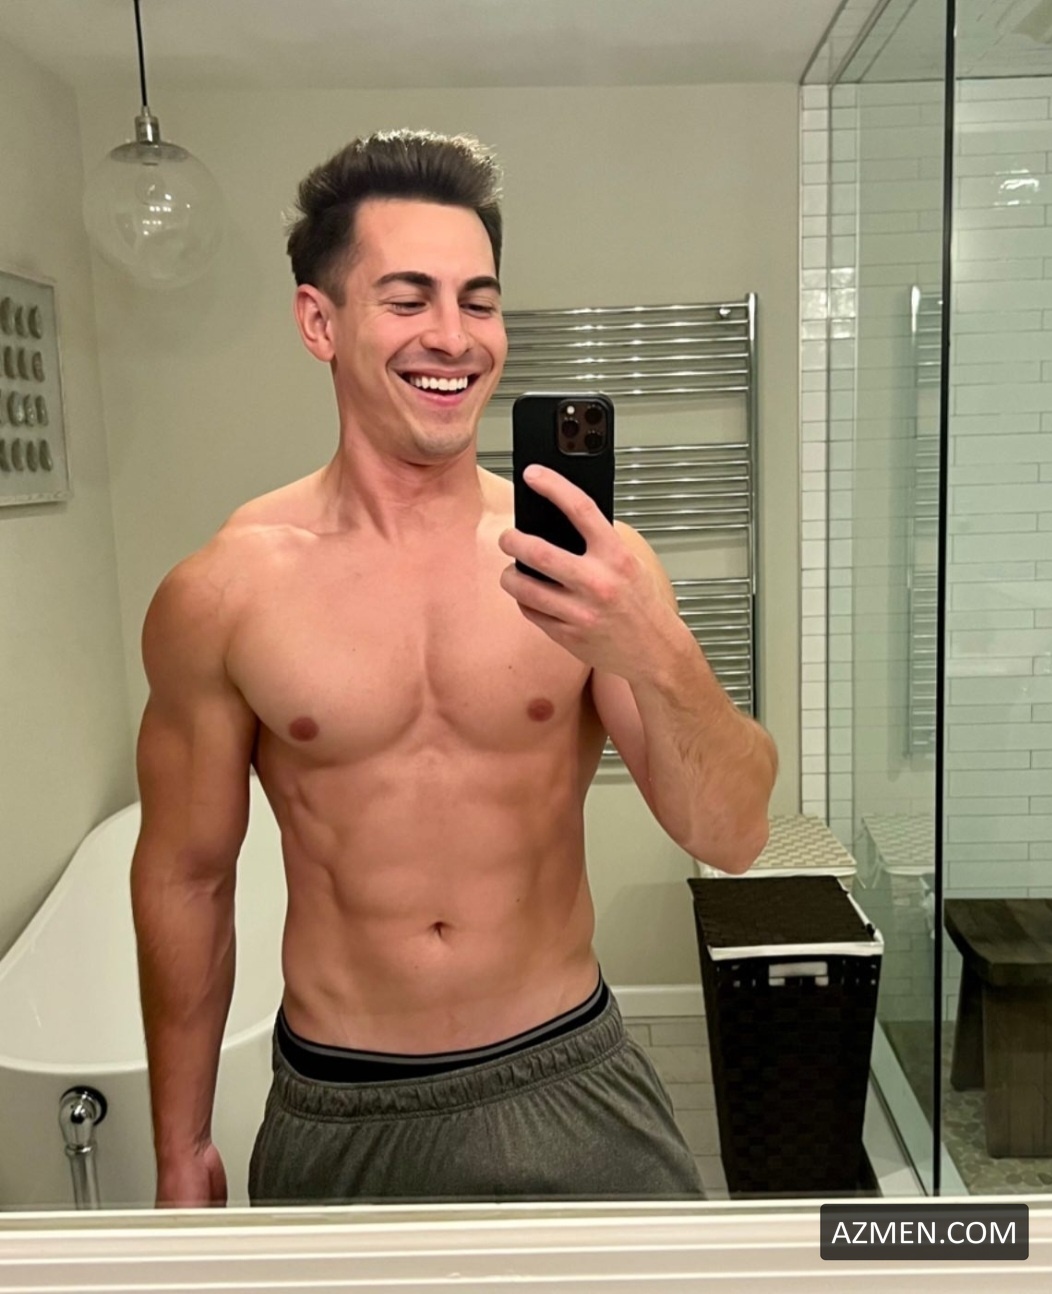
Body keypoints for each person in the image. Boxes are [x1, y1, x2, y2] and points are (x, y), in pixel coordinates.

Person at [130, 129, 778, 1209]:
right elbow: (187, 876)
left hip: (570, 1073)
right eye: (409, 298)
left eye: (479, 301)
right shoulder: (226, 590)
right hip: (343, 1103)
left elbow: (737, 835)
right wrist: (181, 1144)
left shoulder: (591, 569)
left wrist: (655, 647)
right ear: (320, 321)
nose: (453, 336)